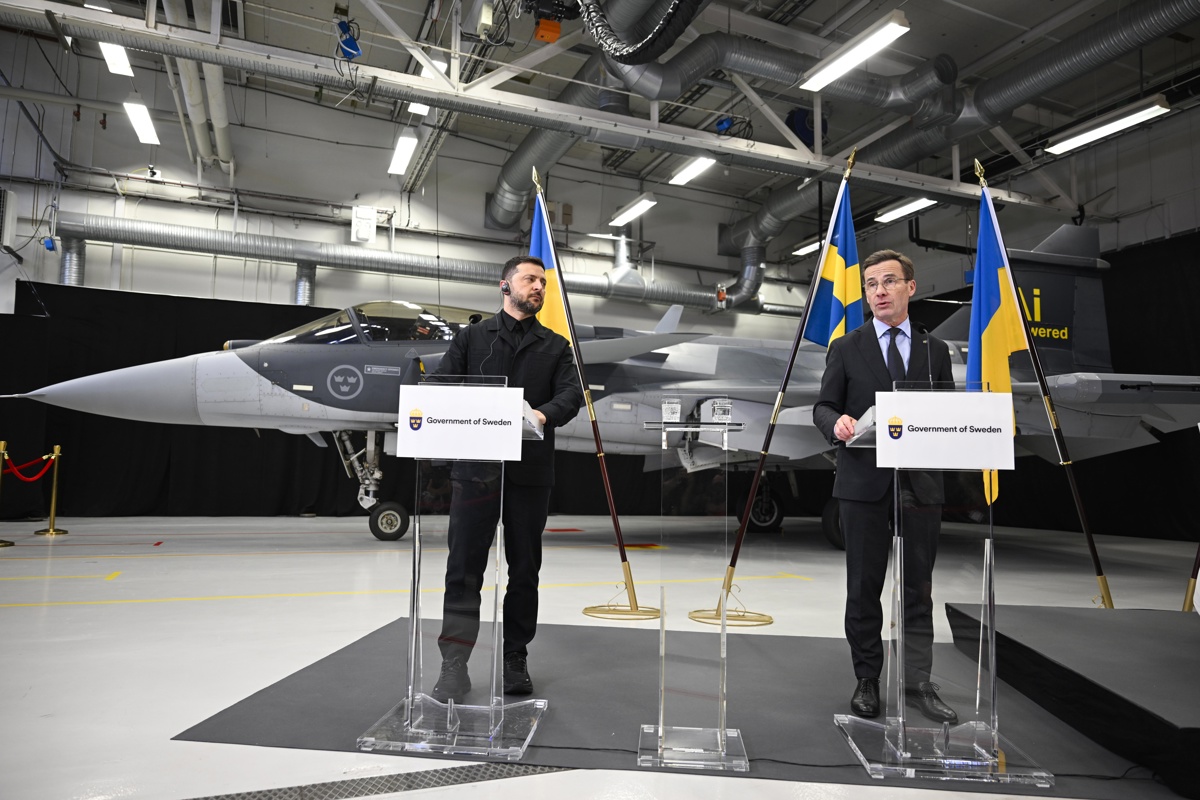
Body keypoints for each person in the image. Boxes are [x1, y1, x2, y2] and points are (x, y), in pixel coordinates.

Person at [812, 249, 958, 725]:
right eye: (871, 284)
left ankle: (918, 682)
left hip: (919, 485)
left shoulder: (935, 350)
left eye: (889, 281)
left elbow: (946, 415)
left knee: (919, 589)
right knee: (864, 588)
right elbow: (823, 406)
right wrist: (837, 424)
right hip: (863, 483)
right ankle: (867, 679)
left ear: (910, 288)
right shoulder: (846, 348)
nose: (879, 291)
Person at [429, 254, 583, 703]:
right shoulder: (472, 337)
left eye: (542, 282)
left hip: (529, 476)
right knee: (463, 571)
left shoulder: (555, 346)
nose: (538, 287)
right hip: (475, 473)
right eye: (530, 279)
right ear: (505, 286)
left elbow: (572, 394)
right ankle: (453, 665)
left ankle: (515, 657)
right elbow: (440, 386)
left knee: (525, 571)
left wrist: (543, 412)